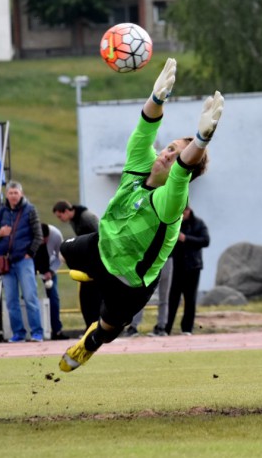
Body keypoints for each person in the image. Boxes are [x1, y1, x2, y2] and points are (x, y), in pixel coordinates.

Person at [57, 58, 223, 372]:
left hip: (129, 281)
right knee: (57, 252)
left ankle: (88, 345)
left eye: (176, 154)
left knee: (106, 331)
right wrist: (157, 97)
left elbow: (182, 172)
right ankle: (92, 273)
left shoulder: (171, 200)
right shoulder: (139, 163)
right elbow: (146, 128)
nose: (167, 152)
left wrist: (201, 140)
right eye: (170, 146)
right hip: (102, 246)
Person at [0, 181, 44, 343]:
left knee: (30, 297)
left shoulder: (30, 210)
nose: (13, 196)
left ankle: (37, 332)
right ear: (6, 195)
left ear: (21, 194)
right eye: (11, 193)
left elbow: (38, 235)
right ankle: (18, 333)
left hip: (24, 260)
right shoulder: (1, 212)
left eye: (16, 192)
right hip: (6, 261)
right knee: (11, 300)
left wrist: (30, 253)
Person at [52, 200, 101, 327]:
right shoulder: (73, 220)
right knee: (85, 298)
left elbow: (101, 234)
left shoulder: (87, 217)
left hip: (97, 263)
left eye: (60, 216)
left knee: (95, 296)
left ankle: (98, 327)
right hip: (88, 261)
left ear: (67, 211)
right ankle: (90, 326)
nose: (60, 219)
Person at [166, 206, 210, 335]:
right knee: (173, 299)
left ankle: (187, 328)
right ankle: (166, 328)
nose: (183, 214)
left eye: (185, 211)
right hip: (176, 267)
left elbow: (205, 241)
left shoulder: (198, 224)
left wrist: (186, 238)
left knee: (190, 299)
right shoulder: (174, 223)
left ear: (189, 211)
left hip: (193, 267)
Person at [35, 222, 70, 339]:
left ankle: (57, 330)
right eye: (41, 239)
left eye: (45, 239)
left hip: (48, 268)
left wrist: (51, 271)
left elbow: (61, 256)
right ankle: (35, 330)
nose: (43, 241)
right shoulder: (31, 233)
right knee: (30, 299)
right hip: (33, 267)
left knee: (53, 298)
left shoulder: (56, 235)